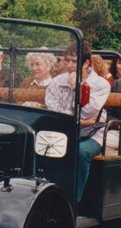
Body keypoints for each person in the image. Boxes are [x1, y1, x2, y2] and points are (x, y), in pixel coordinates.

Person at [46, 41, 111, 202]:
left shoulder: (100, 84)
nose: (69, 65)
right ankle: (50, 196)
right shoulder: (57, 81)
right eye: (67, 60)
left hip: (92, 134)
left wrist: (76, 88)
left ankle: (74, 201)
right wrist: (78, 119)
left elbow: (89, 111)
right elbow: (53, 110)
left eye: (74, 61)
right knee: (43, 147)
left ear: (86, 62)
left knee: (81, 152)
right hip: (64, 131)